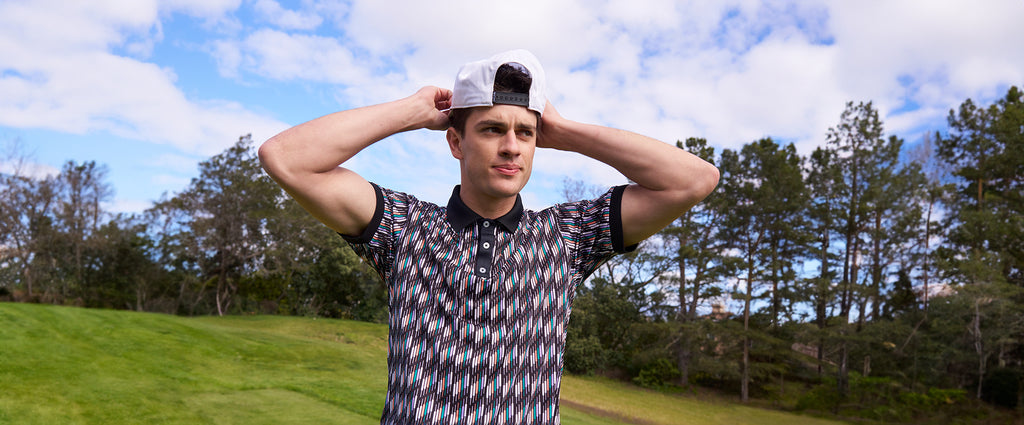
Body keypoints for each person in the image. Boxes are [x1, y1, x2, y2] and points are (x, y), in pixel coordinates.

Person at [259, 50, 719, 425]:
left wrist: (566, 132)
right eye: (493, 129)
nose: (512, 146)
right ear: (456, 143)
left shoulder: (567, 237)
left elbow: (694, 180)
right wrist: (412, 111)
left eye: (526, 133)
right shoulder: (405, 229)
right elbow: (286, 158)